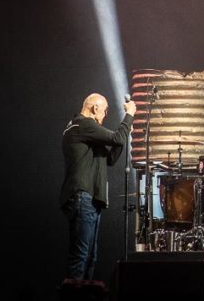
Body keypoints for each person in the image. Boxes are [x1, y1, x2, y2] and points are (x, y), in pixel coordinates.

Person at [60, 93, 136, 280]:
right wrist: (129, 115)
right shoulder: (83, 124)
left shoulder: (86, 133)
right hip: (83, 196)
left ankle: (85, 291)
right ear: (95, 108)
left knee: (90, 257)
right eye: (105, 111)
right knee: (80, 256)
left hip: (90, 198)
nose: (105, 115)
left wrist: (125, 132)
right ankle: (74, 292)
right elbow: (117, 138)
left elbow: (110, 158)